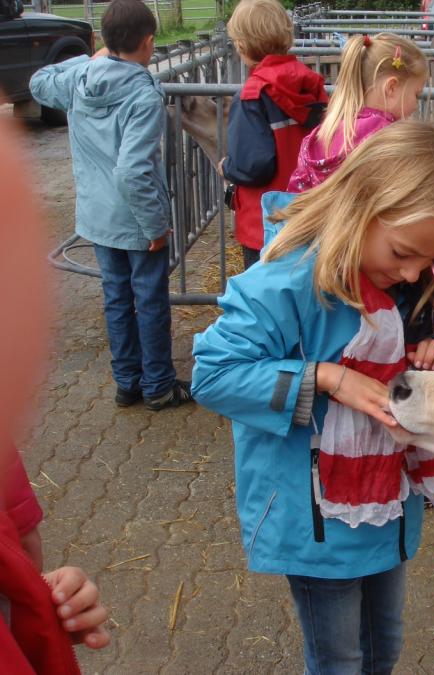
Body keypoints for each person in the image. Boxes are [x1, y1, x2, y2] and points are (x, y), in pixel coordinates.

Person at [191, 120, 434, 674]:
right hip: (315, 518)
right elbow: (214, 374)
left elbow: (415, 344)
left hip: (384, 505)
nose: (415, 271)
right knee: (339, 660)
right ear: (361, 205)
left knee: (383, 648)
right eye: (404, 252)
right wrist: (326, 377)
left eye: (430, 261)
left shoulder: (403, 282)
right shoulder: (288, 282)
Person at [29, 0, 192, 411]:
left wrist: (91, 58)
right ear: (149, 42)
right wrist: (155, 226)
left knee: (117, 296)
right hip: (136, 221)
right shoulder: (143, 94)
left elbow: (39, 81)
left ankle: (126, 380)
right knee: (149, 299)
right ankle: (157, 384)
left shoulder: (79, 77)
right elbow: (133, 171)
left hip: (97, 217)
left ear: (104, 39)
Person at [0, 110, 110, 673]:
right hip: (127, 220)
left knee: (121, 301)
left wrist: (38, 597)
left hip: (102, 219)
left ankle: (136, 378)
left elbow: (21, 539)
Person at [218, 0, 328, 270]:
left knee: (265, 299)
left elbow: (254, 166)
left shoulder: (251, 96)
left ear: (241, 46)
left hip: (265, 223)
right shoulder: (311, 85)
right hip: (310, 214)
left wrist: (227, 168)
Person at [286, 32, 426, 193]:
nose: (416, 105)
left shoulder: (326, 131)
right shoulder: (388, 138)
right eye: (417, 94)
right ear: (391, 87)